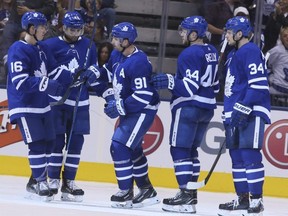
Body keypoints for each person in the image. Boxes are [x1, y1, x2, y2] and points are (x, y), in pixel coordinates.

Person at [86, 22, 160, 208]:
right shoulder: (117, 54)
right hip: (131, 108)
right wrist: (94, 72)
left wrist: (119, 106)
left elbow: (143, 96)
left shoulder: (139, 62)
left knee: (118, 146)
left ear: (126, 41)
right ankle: (146, 190)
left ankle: (126, 192)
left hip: (143, 109)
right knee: (132, 149)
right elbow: (108, 72)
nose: (112, 41)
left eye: (116, 38)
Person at [151, 16, 219, 213]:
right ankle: (191, 195)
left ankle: (185, 195)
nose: (181, 33)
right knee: (191, 151)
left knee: (179, 149)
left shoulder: (188, 54)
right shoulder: (212, 51)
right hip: (207, 108)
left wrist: (170, 82)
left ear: (194, 33)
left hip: (189, 106)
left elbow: (188, 88)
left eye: (184, 30)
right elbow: (215, 87)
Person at [43, 11, 112, 202]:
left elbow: (93, 72)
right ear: (63, 27)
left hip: (80, 104)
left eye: (78, 29)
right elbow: (47, 72)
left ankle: (69, 183)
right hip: (58, 102)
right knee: (56, 142)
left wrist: (99, 82)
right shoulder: (50, 45)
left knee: (75, 145)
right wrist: (67, 76)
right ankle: (53, 179)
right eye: (71, 29)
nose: (74, 33)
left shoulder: (89, 45)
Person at [6, 11, 65, 200]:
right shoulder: (18, 49)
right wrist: (48, 84)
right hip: (24, 105)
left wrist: (75, 76)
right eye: (42, 27)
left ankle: (34, 181)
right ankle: (40, 181)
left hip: (42, 105)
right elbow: (20, 82)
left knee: (50, 142)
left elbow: (55, 71)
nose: (45, 30)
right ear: (31, 28)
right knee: (37, 143)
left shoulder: (42, 48)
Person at [218, 16, 271, 215]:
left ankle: (256, 201)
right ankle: (242, 199)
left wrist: (244, 106)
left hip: (251, 111)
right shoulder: (234, 53)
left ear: (239, 34)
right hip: (235, 112)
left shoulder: (250, 50)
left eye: (230, 33)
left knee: (249, 155)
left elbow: (259, 85)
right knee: (237, 157)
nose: (227, 36)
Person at [266, 26, 288, 105]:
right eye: (285, 36)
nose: (287, 38)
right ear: (281, 38)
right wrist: (271, 78)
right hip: (276, 94)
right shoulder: (276, 51)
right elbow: (264, 65)